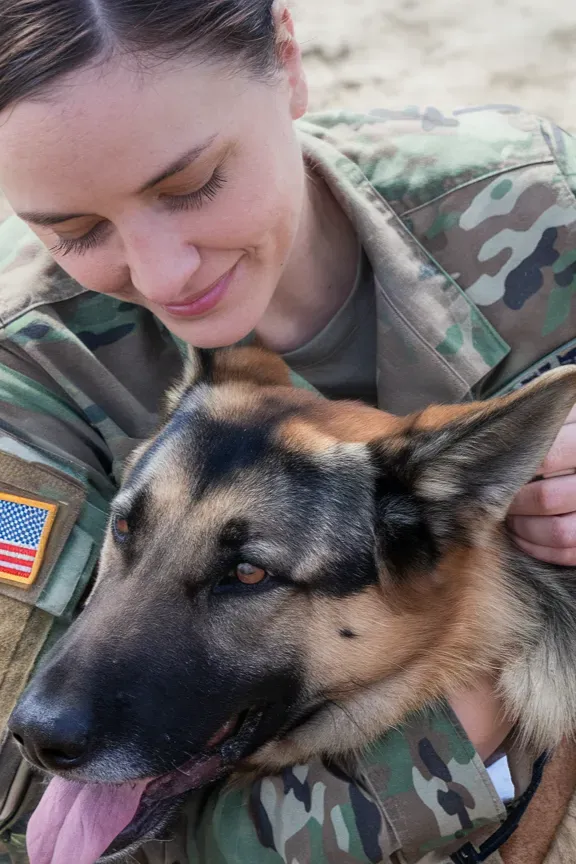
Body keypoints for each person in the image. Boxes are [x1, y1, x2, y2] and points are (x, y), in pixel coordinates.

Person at [0, 0, 575, 862]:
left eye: (191, 184)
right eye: (74, 231)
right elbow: (25, 813)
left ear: (287, 56)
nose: (162, 272)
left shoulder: (542, 207)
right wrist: (465, 738)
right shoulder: (31, 390)